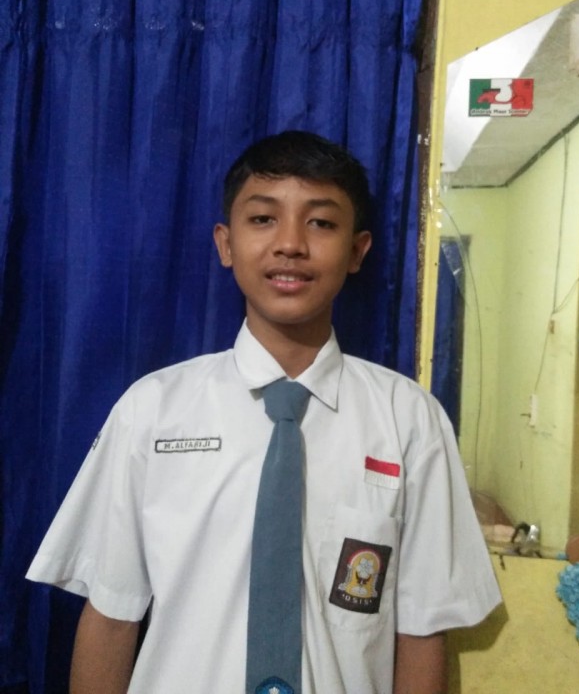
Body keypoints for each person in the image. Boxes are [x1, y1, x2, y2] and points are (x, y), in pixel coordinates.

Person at [27, 131, 501, 694]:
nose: (290, 244)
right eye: (263, 219)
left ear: (357, 251)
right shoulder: (152, 410)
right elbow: (111, 617)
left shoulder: (410, 420)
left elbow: (421, 633)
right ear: (225, 243)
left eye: (320, 222)